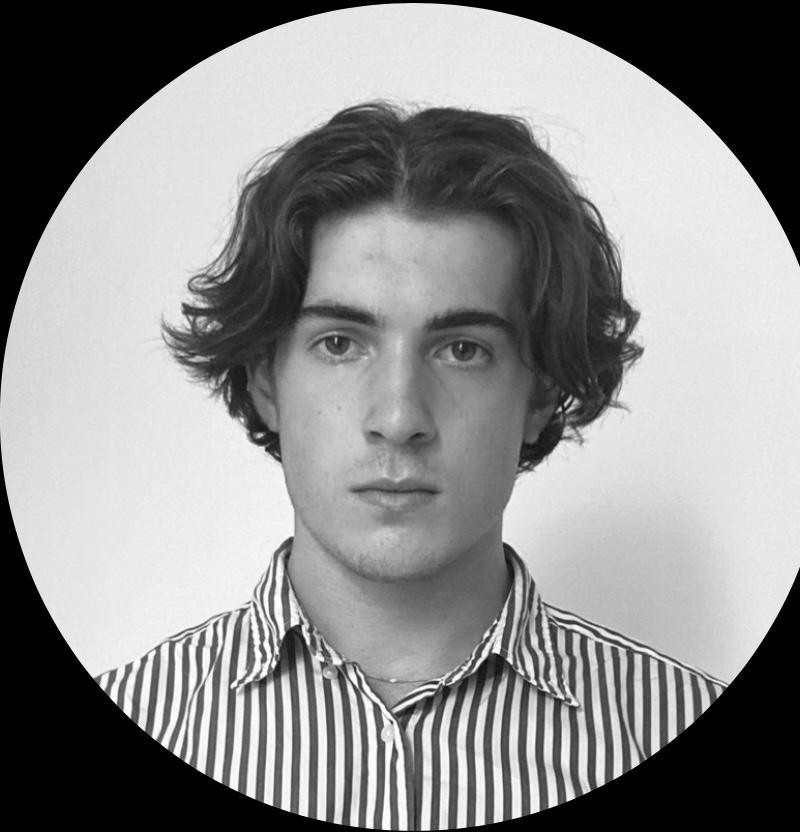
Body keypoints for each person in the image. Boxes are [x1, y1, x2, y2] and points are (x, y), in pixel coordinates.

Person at [95, 101, 726, 827]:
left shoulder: (672, 722)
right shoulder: (144, 714)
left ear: (539, 395)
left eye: (462, 350)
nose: (398, 418)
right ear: (266, 381)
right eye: (340, 344)